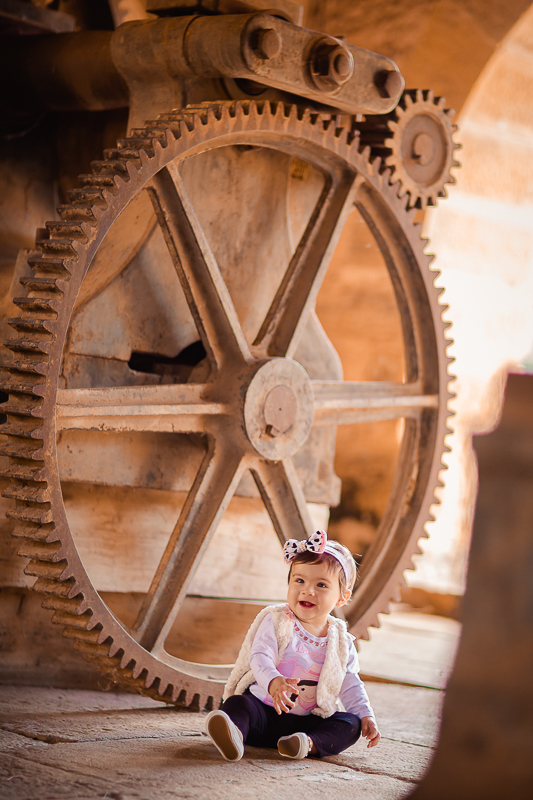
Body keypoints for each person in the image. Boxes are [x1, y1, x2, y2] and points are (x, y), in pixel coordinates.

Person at [205, 530, 381, 762]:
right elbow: (260, 656)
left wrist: (365, 714)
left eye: (321, 585)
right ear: (289, 583)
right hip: (264, 712)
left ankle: (305, 744)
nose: (308, 590)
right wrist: (273, 681)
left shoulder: (340, 640)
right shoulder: (277, 621)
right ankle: (235, 733)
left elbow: (350, 681)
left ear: (341, 597)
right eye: (300, 581)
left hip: (308, 722)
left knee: (350, 724)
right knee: (238, 703)